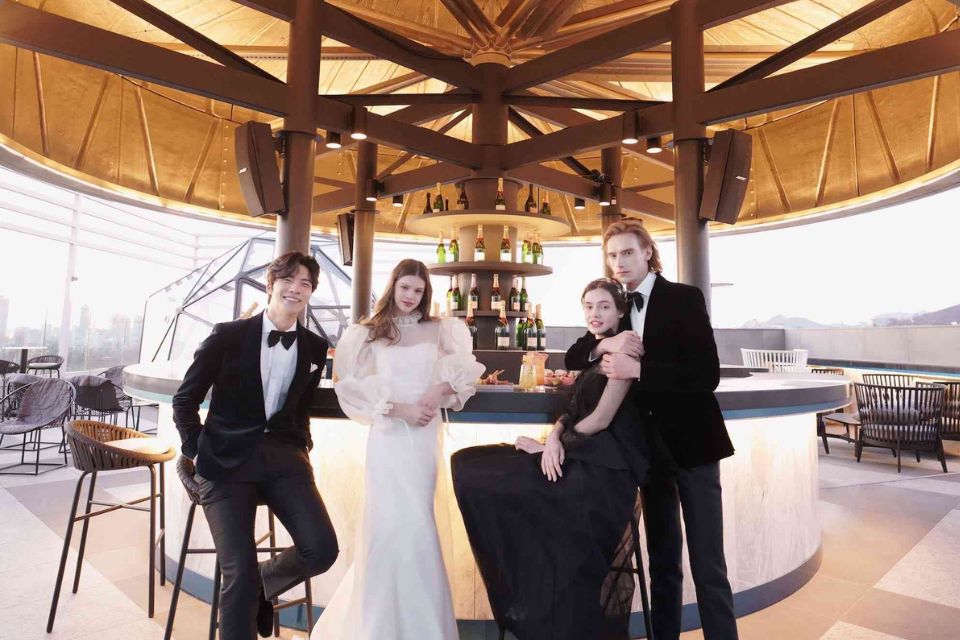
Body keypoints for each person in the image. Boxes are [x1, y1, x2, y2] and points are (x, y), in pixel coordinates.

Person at [452, 279, 654, 640]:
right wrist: (552, 440)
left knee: (482, 473)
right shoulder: (595, 351)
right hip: (580, 458)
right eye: (589, 306)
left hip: (603, 475)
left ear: (620, 311)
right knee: (471, 462)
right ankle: (534, 609)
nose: (595, 313)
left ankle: (536, 613)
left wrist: (556, 446)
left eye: (604, 306)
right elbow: (574, 411)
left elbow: (601, 419)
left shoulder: (625, 353)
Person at [565, 219, 738, 640]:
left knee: (708, 566)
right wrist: (605, 344)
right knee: (663, 565)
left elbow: (705, 374)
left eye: (627, 252)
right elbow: (574, 355)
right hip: (649, 455)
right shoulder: (619, 308)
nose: (619, 262)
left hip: (694, 447)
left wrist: (638, 369)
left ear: (647, 252)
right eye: (612, 255)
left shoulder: (683, 298)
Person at [311, 258, 484, 640]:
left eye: (418, 290)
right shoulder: (367, 333)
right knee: (388, 528)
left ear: (426, 294)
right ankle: (377, 628)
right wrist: (399, 409)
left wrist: (438, 391)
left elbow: (466, 375)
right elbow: (349, 387)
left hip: (423, 437)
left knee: (418, 526)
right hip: (388, 436)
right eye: (405, 287)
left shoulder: (441, 330)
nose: (410, 296)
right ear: (393, 286)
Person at [172, 251, 338, 640]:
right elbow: (185, 399)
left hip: (284, 459)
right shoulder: (228, 335)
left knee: (321, 549)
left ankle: (266, 582)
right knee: (238, 573)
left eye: (306, 284)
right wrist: (198, 449)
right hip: (225, 462)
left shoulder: (315, 347)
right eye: (289, 280)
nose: (296, 289)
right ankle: (251, 585)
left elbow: (301, 408)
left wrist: (302, 446)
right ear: (270, 283)